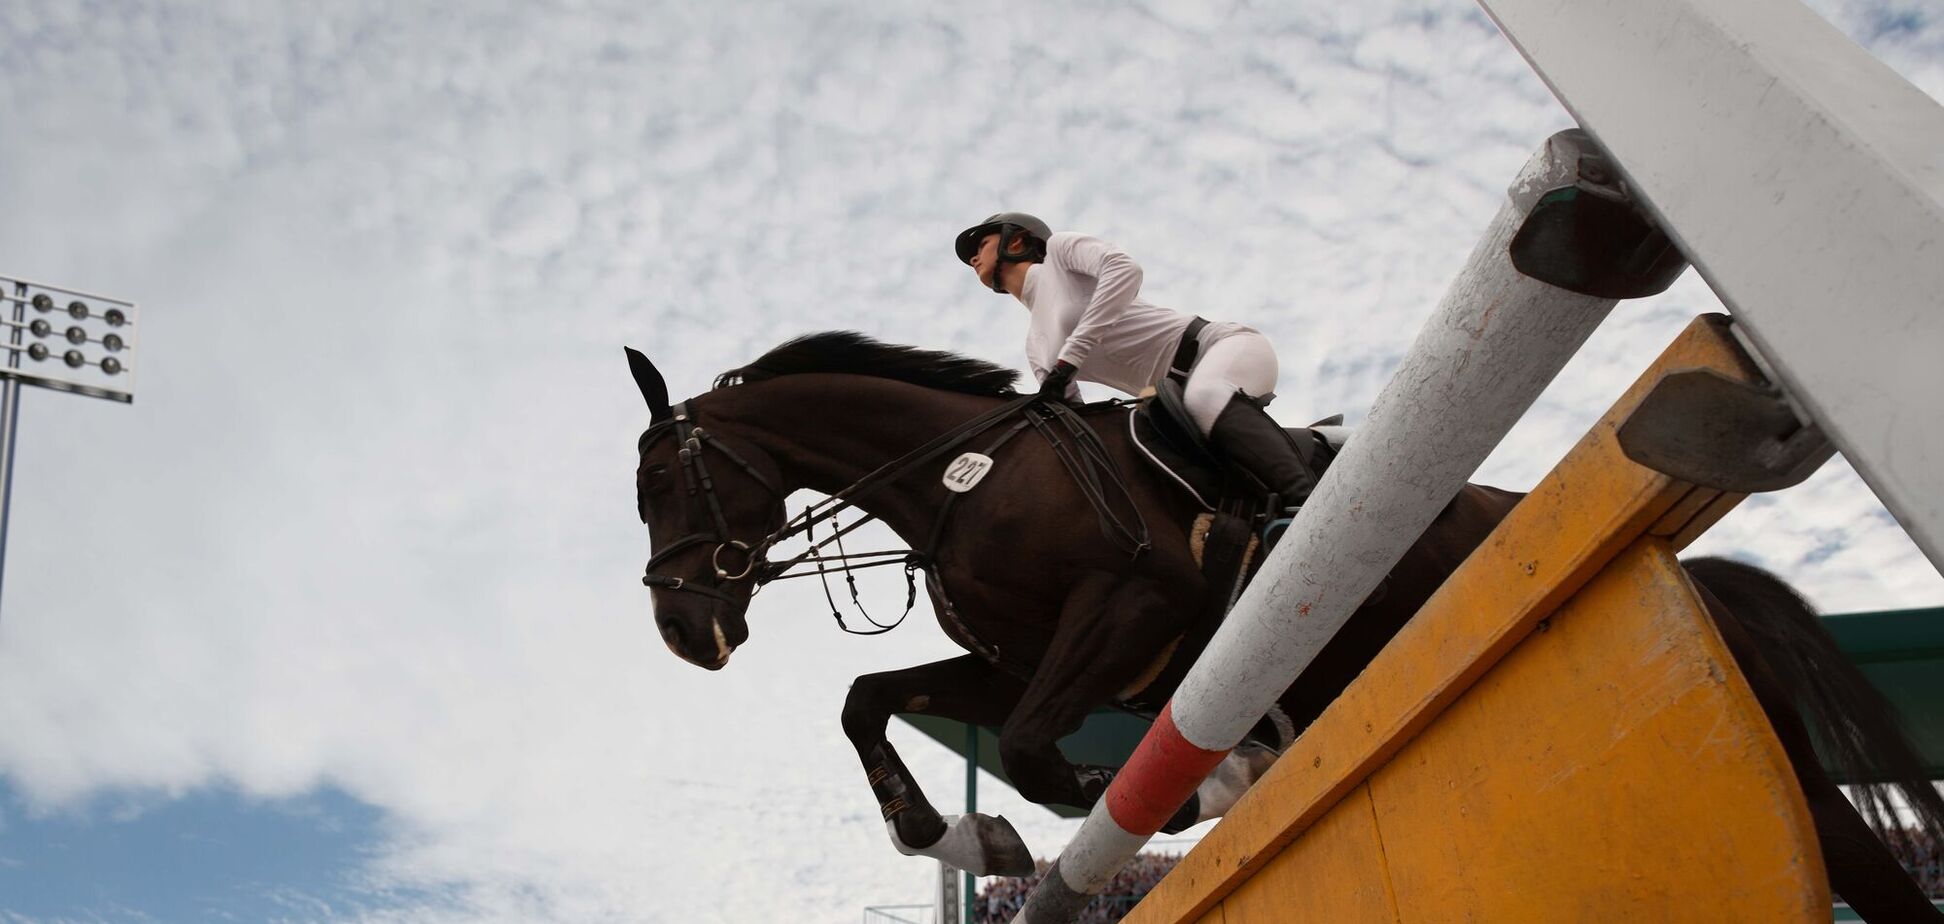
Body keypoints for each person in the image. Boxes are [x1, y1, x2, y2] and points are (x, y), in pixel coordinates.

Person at [954, 212, 1316, 511]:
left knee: (1204, 397)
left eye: (981, 245)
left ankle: (1306, 502)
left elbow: (1125, 270)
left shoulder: (1062, 251)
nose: (973, 259)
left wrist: (1071, 355)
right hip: (1174, 408)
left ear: (1017, 240)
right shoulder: (1035, 344)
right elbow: (1074, 418)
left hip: (1220, 347)